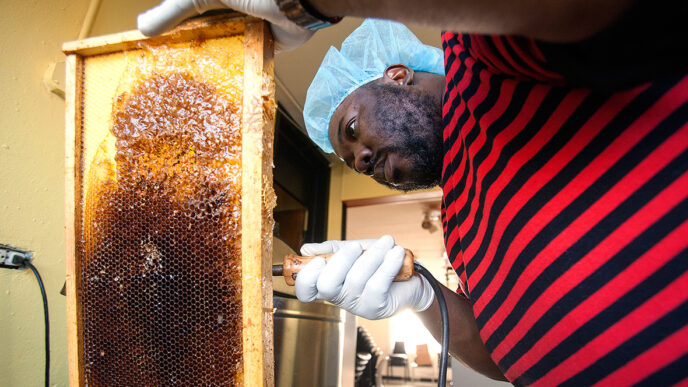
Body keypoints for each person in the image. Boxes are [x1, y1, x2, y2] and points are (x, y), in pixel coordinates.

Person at [139, 1, 688, 384]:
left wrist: (306, 0)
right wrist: (425, 294)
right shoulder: (460, 228)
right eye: (351, 159)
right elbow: (502, 359)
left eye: (352, 130)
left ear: (396, 73)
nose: (359, 159)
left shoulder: (485, 65)